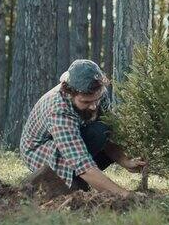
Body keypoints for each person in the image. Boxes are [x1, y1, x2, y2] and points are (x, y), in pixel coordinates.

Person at [20, 59, 146, 197]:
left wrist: (124, 161)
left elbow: (109, 134)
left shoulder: (97, 94)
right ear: (69, 92)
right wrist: (124, 194)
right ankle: (51, 179)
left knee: (102, 129)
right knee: (78, 176)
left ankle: (79, 179)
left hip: (74, 139)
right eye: (85, 102)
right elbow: (81, 162)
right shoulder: (58, 110)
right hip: (39, 150)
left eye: (96, 100)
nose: (93, 106)